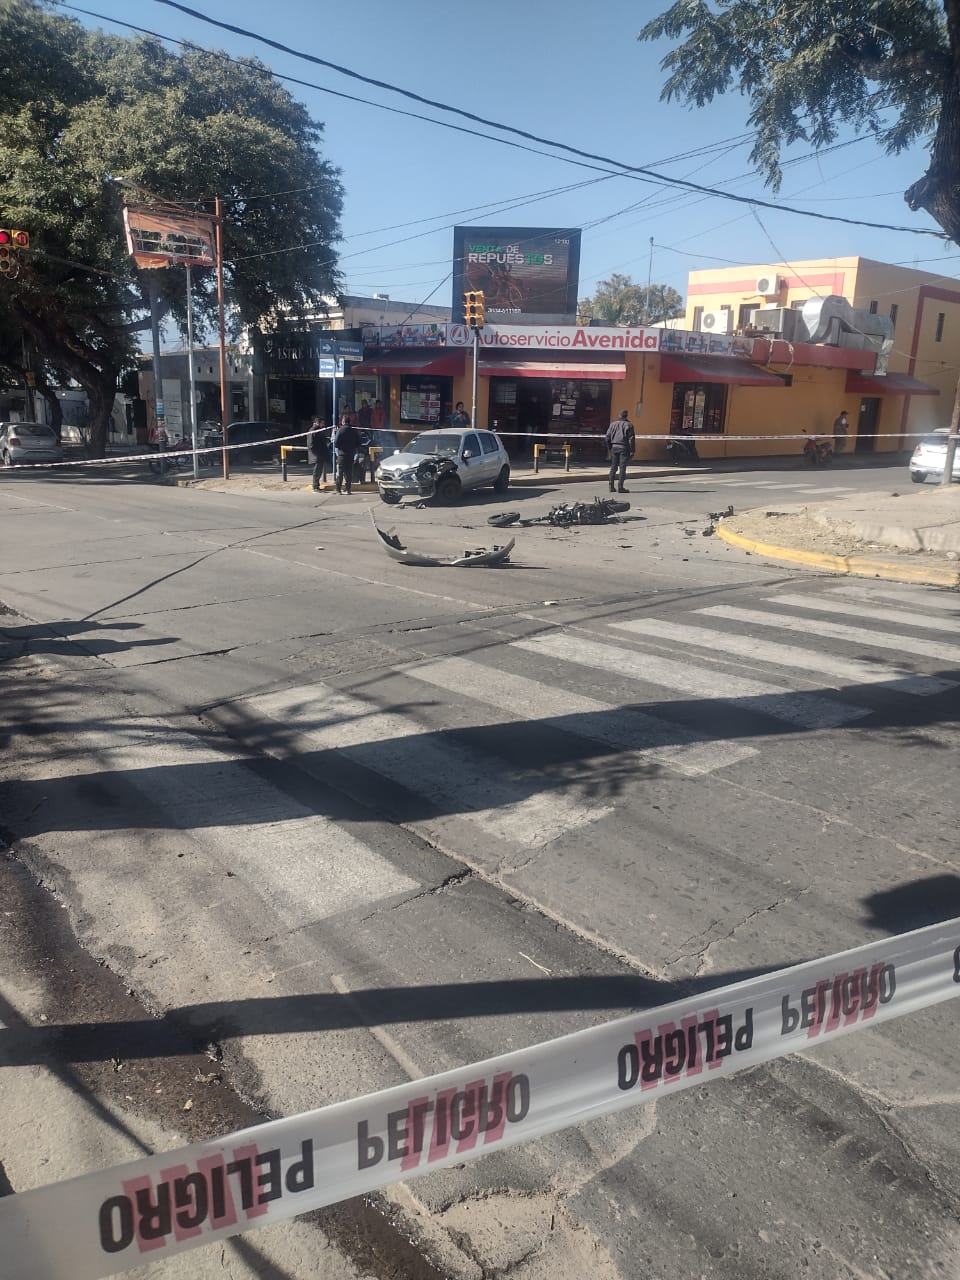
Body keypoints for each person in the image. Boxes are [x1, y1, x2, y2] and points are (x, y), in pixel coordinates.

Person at [605, 409, 635, 493]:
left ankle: (611, 486)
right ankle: (620, 487)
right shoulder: (629, 425)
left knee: (613, 467)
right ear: (626, 416)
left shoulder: (612, 424)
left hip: (614, 447)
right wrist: (632, 450)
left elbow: (607, 437)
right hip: (624, 448)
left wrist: (610, 447)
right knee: (622, 468)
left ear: (619, 415)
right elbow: (631, 439)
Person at [333, 414, 361, 494]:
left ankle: (338, 489)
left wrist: (340, 448)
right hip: (351, 454)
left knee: (340, 472)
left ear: (343, 421)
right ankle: (348, 489)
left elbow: (336, 442)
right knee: (349, 472)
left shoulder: (340, 430)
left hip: (342, 454)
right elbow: (358, 443)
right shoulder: (354, 431)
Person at [308, 416, 330, 490]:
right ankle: (315, 486)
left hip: (319, 455)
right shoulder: (313, 430)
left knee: (319, 471)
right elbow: (310, 444)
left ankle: (317, 485)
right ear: (317, 422)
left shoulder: (318, 430)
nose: (323, 425)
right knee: (317, 471)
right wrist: (317, 454)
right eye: (322, 423)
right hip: (317, 455)